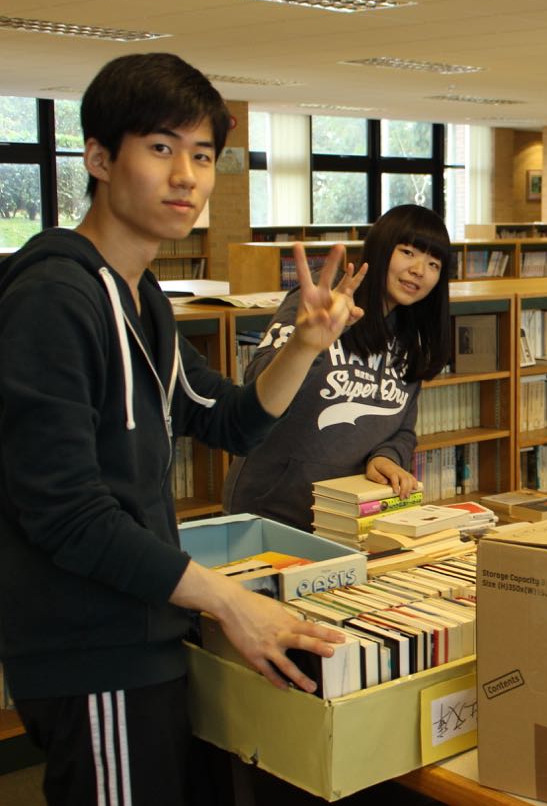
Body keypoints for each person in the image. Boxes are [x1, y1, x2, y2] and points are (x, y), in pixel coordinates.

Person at [0, 52, 354, 805]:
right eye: (161, 148)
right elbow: (66, 513)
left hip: (147, 631)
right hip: (92, 652)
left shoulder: (143, 297)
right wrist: (228, 601)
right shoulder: (54, 300)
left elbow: (232, 420)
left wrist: (304, 346)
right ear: (99, 157)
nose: (186, 176)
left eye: (202, 155)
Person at [224, 204, 452, 529]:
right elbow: (257, 385)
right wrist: (309, 343)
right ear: (381, 248)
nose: (419, 270)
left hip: (348, 518)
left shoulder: (410, 338)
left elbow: (402, 429)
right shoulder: (322, 303)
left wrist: (387, 457)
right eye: (407, 252)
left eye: (433, 264)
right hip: (271, 509)